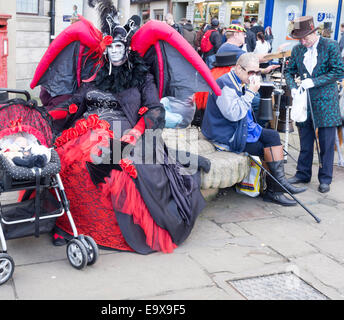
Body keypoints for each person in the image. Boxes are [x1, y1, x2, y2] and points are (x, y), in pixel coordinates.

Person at [44, 2, 210, 253]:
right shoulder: (97, 72)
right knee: (64, 162)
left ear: (127, 47)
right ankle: (68, 225)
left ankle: (103, 231)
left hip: (126, 131)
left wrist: (137, 132)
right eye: (109, 47)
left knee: (111, 167)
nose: (113, 51)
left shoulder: (142, 76)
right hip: (86, 129)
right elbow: (76, 102)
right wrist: (50, 114)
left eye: (118, 46)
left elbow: (155, 108)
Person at [201, 53, 307, 206]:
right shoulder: (224, 84)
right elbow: (234, 115)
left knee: (272, 136)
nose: (254, 75)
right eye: (251, 72)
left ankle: (278, 187)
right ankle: (275, 190)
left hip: (238, 129)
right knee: (263, 147)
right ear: (238, 68)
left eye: (257, 72)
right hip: (225, 135)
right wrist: (250, 92)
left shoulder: (238, 80)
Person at [285, 16, 344, 193]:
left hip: (326, 101)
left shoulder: (330, 45)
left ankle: (325, 178)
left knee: (326, 143)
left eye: (306, 37)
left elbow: (338, 71)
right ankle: (303, 173)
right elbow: (289, 71)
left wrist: (314, 81)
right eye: (300, 38)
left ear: (314, 31)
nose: (303, 41)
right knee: (305, 140)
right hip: (304, 101)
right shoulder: (297, 50)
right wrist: (293, 88)